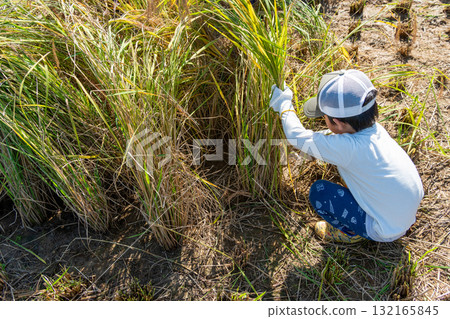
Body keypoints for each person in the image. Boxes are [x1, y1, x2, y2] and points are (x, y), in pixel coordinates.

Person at [269, 69, 424, 243]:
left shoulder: (348, 148)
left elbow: (296, 136)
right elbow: (327, 138)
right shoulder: (375, 130)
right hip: (403, 213)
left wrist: (283, 103)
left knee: (319, 192)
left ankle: (350, 232)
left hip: (383, 229)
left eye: (324, 117)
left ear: (338, 123)